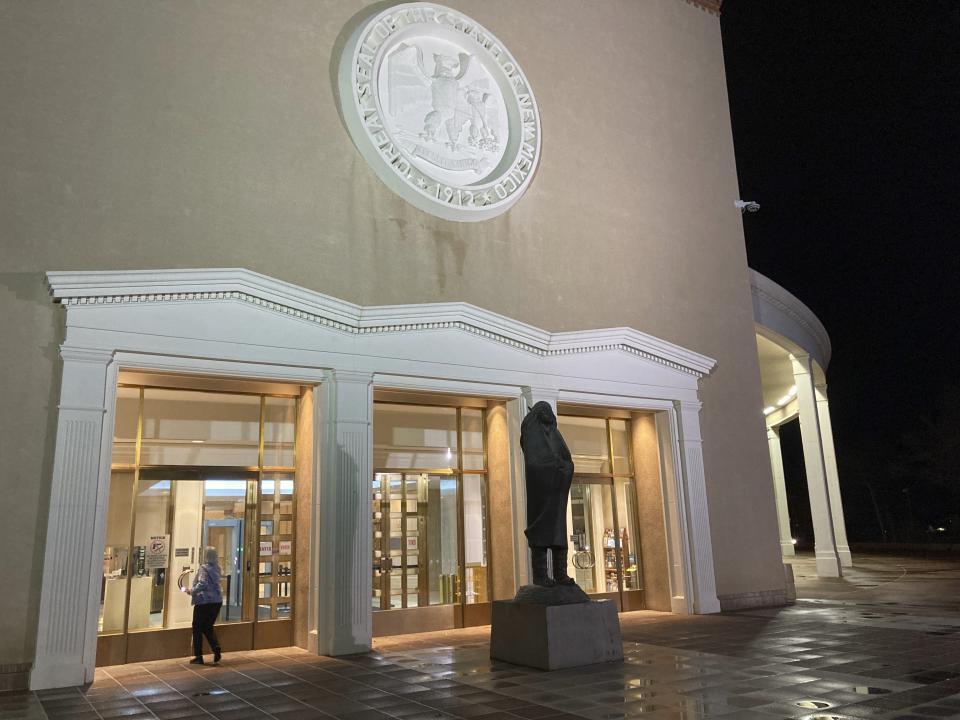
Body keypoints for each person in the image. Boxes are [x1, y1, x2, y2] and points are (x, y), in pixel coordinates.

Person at [520, 401, 577, 587]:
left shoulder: (554, 434)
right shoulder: (532, 434)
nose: (547, 413)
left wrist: (563, 468)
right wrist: (553, 467)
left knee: (559, 535)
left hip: (557, 493)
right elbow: (534, 464)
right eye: (543, 410)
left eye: (549, 410)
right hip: (541, 495)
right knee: (541, 534)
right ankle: (540, 576)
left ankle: (561, 574)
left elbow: (566, 459)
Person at [185, 546, 223, 665]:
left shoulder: (204, 569)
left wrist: (192, 591)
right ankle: (215, 647)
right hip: (217, 601)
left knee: (197, 627)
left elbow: (202, 583)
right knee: (208, 626)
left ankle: (198, 656)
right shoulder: (217, 568)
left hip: (204, 601)